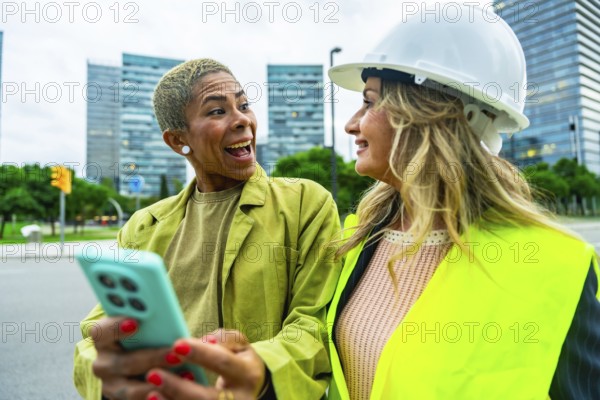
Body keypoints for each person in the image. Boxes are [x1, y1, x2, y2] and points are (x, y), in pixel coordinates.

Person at [323, 4, 600, 400]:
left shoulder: (556, 268)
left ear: (428, 114)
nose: (352, 124)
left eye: (369, 102)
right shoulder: (356, 239)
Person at [73, 58, 342, 400]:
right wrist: (111, 380)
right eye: (217, 111)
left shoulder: (306, 203)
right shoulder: (144, 226)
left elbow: (315, 325)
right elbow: (95, 334)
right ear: (177, 141)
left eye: (244, 105)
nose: (242, 119)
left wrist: (259, 369)